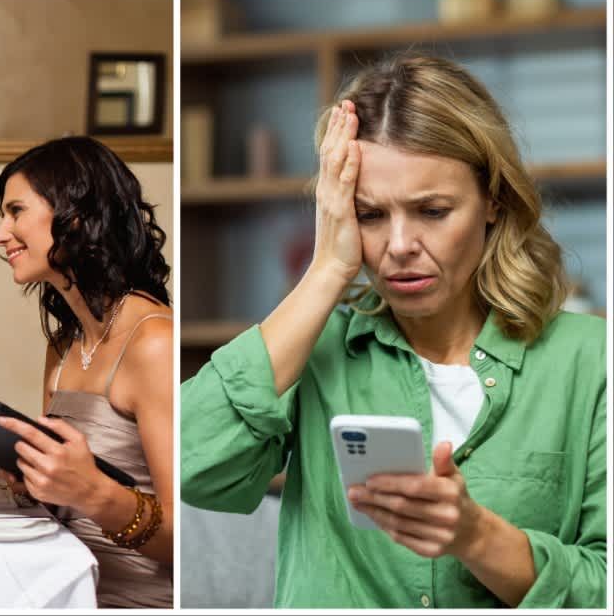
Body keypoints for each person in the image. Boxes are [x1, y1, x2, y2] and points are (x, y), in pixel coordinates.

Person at [181, 55, 605, 608]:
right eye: (370, 215)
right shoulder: (315, 351)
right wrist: (326, 270)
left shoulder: (590, 360)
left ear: (493, 202)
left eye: (431, 211)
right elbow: (190, 464)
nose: (400, 245)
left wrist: (477, 537)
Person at [0, 136, 174, 608]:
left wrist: (92, 492)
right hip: (65, 588)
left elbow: (187, 536)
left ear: (74, 216)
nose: (0, 233)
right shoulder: (64, 345)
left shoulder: (154, 343)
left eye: (15, 212)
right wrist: (33, 478)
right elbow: (66, 510)